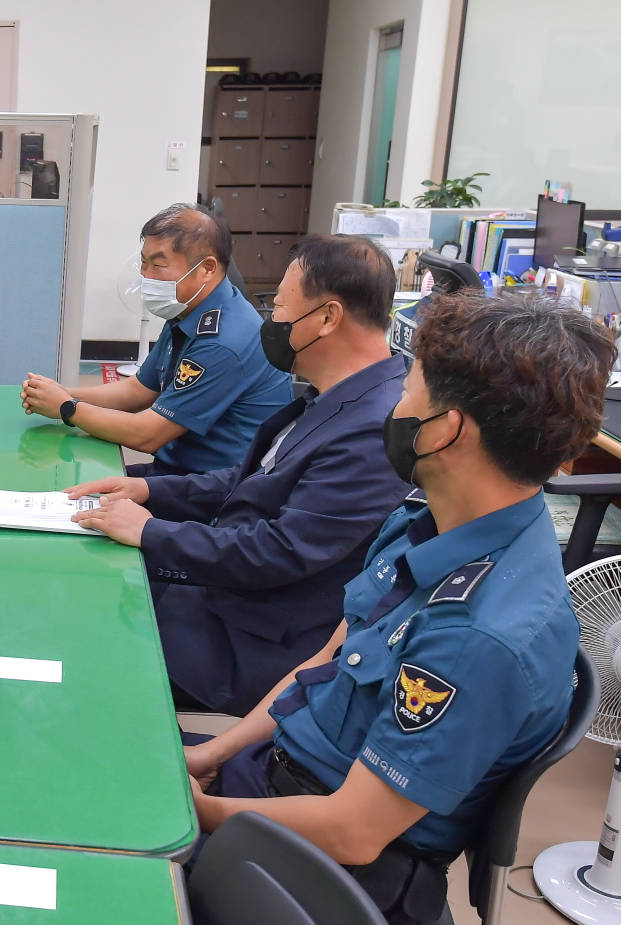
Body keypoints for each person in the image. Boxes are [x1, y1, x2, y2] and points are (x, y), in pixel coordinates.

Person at [181, 290, 612, 925]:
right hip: (273, 781)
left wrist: (200, 813)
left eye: (408, 391)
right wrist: (213, 755)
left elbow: (353, 832)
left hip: (328, 869)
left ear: (447, 429)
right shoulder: (424, 521)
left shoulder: (479, 636)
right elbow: (328, 662)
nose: (393, 407)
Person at [69, 236, 411, 714]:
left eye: (281, 308)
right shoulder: (338, 394)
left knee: (77, 639)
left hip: (249, 638)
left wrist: (150, 531)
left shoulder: (373, 429)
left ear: (327, 318)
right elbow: (254, 479)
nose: (272, 320)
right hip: (224, 594)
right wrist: (147, 489)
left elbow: (279, 551)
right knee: (79, 587)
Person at [20, 203, 291, 475]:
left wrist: (67, 408)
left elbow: (148, 435)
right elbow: (138, 391)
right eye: (144, 263)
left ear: (207, 268)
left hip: (219, 486)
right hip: (181, 472)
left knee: (78, 492)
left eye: (159, 265)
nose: (146, 276)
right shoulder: (188, 310)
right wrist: (63, 393)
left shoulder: (223, 341)